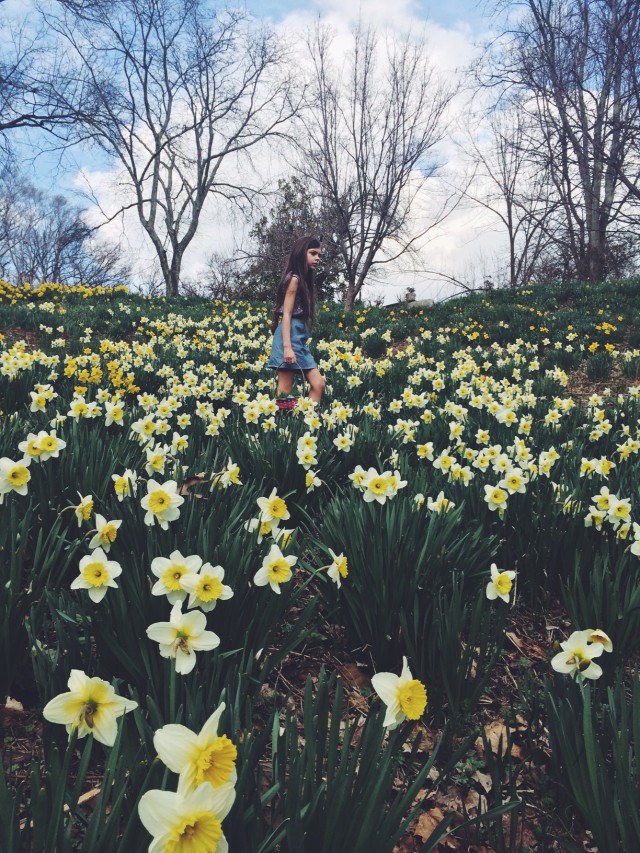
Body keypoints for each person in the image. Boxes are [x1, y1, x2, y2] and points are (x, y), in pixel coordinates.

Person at [267, 235, 325, 402]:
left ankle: (309, 420)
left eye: (319, 255)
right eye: (313, 253)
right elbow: (286, 314)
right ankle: (282, 426)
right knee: (285, 390)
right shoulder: (294, 279)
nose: (317, 258)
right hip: (288, 339)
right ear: (301, 253)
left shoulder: (304, 280)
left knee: (318, 384)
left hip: (298, 339)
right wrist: (287, 348)